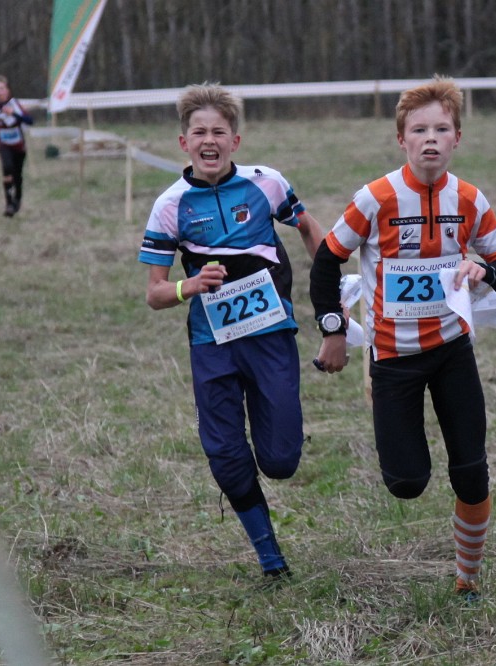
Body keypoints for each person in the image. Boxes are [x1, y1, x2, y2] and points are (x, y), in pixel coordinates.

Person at [308, 76, 496, 599]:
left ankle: (467, 579)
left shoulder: (469, 199)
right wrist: (333, 328)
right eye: (419, 130)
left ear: (457, 138)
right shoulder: (376, 197)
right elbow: (327, 260)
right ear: (401, 139)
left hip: (452, 352)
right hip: (394, 358)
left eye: (442, 129)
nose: (431, 139)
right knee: (407, 483)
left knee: (471, 472)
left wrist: (485, 271)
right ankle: (397, 437)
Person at [138, 83, 325, 581]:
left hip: (270, 336)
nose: (209, 141)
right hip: (212, 345)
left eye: (219, 132)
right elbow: (155, 293)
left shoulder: (267, 184)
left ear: (235, 141)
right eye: (199, 133)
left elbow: (309, 229)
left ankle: (275, 454)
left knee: (281, 461)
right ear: (184, 143)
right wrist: (190, 286)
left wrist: (329, 284)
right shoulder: (170, 205)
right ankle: (270, 559)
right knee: (224, 455)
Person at [0, 75, 33, 217]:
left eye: (2, 88)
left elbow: (30, 120)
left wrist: (13, 113)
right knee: (7, 169)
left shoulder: (14, 104)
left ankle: (17, 199)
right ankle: (9, 204)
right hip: (4, 145)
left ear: (7, 90)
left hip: (19, 146)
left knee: (17, 175)